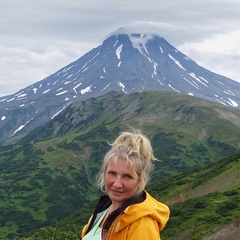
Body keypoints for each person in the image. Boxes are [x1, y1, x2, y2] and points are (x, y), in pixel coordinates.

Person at [81, 130, 170, 240]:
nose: (117, 184)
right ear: (104, 173)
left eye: (127, 176)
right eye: (112, 173)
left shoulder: (142, 223)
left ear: (139, 180)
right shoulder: (103, 211)